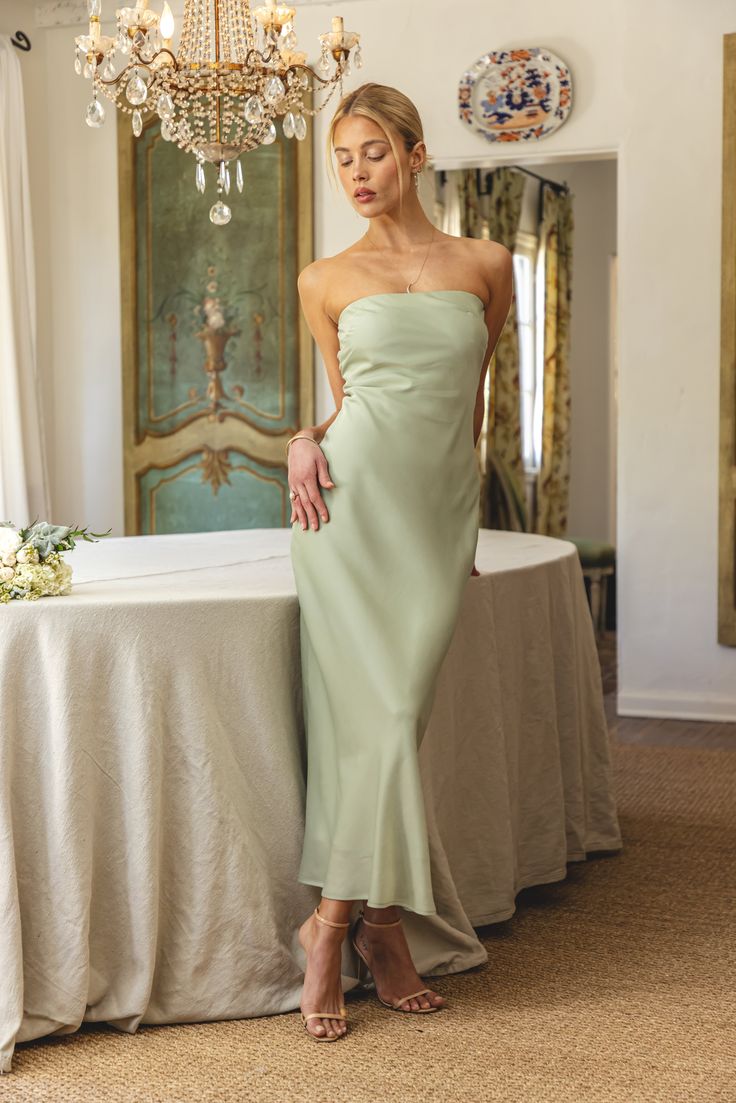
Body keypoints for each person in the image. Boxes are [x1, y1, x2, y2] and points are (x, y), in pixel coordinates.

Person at [287, 82, 513, 1041]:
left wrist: (462, 519)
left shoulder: (488, 262)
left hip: (431, 515)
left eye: (373, 152)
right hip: (347, 509)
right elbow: (346, 405)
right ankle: (355, 929)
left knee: (395, 716)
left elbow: (473, 406)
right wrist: (302, 437)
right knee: (373, 719)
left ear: (417, 155)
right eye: (342, 158)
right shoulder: (322, 277)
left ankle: (344, 922)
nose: (356, 175)